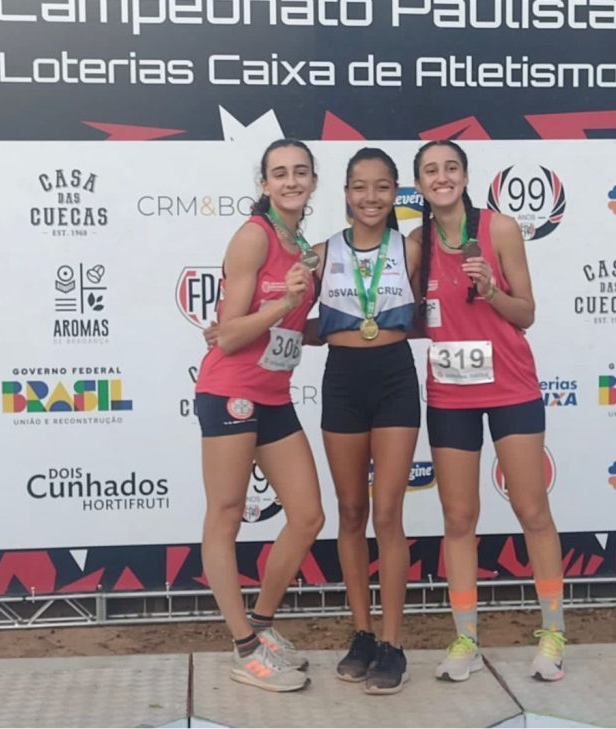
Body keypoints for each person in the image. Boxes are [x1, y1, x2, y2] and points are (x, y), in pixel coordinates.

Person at [409, 140, 566, 682]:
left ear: (465, 175)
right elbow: (412, 317)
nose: (442, 177)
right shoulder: (416, 243)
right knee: (458, 518)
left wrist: (492, 291)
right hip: (450, 394)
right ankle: (466, 640)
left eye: (451, 167)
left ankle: (553, 632)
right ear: (420, 185)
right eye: (431, 171)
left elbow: (526, 313)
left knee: (532, 508)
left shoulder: (500, 229)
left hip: (510, 387)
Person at [195, 139, 325, 692]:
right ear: (265, 184)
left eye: (300, 172)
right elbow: (227, 336)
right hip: (230, 392)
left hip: (274, 394)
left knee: (308, 515)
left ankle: (264, 624)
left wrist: (351, 328)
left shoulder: (306, 247)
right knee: (226, 515)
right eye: (280, 173)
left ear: (313, 182)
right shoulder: (254, 237)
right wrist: (283, 302)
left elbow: (292, 331)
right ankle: (244, 648)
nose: (291, 181)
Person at [309, 147, 421, 694]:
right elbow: (294, 317)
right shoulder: (321, 252)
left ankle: (393, 644)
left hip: (395, 375)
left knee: (388, 512)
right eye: (359, 186)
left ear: (395, 192)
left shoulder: (411, 248)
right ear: (346, 193)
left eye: (381, 187)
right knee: (351, 511)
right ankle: (362, 633)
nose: (370, 197)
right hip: (343, 379)